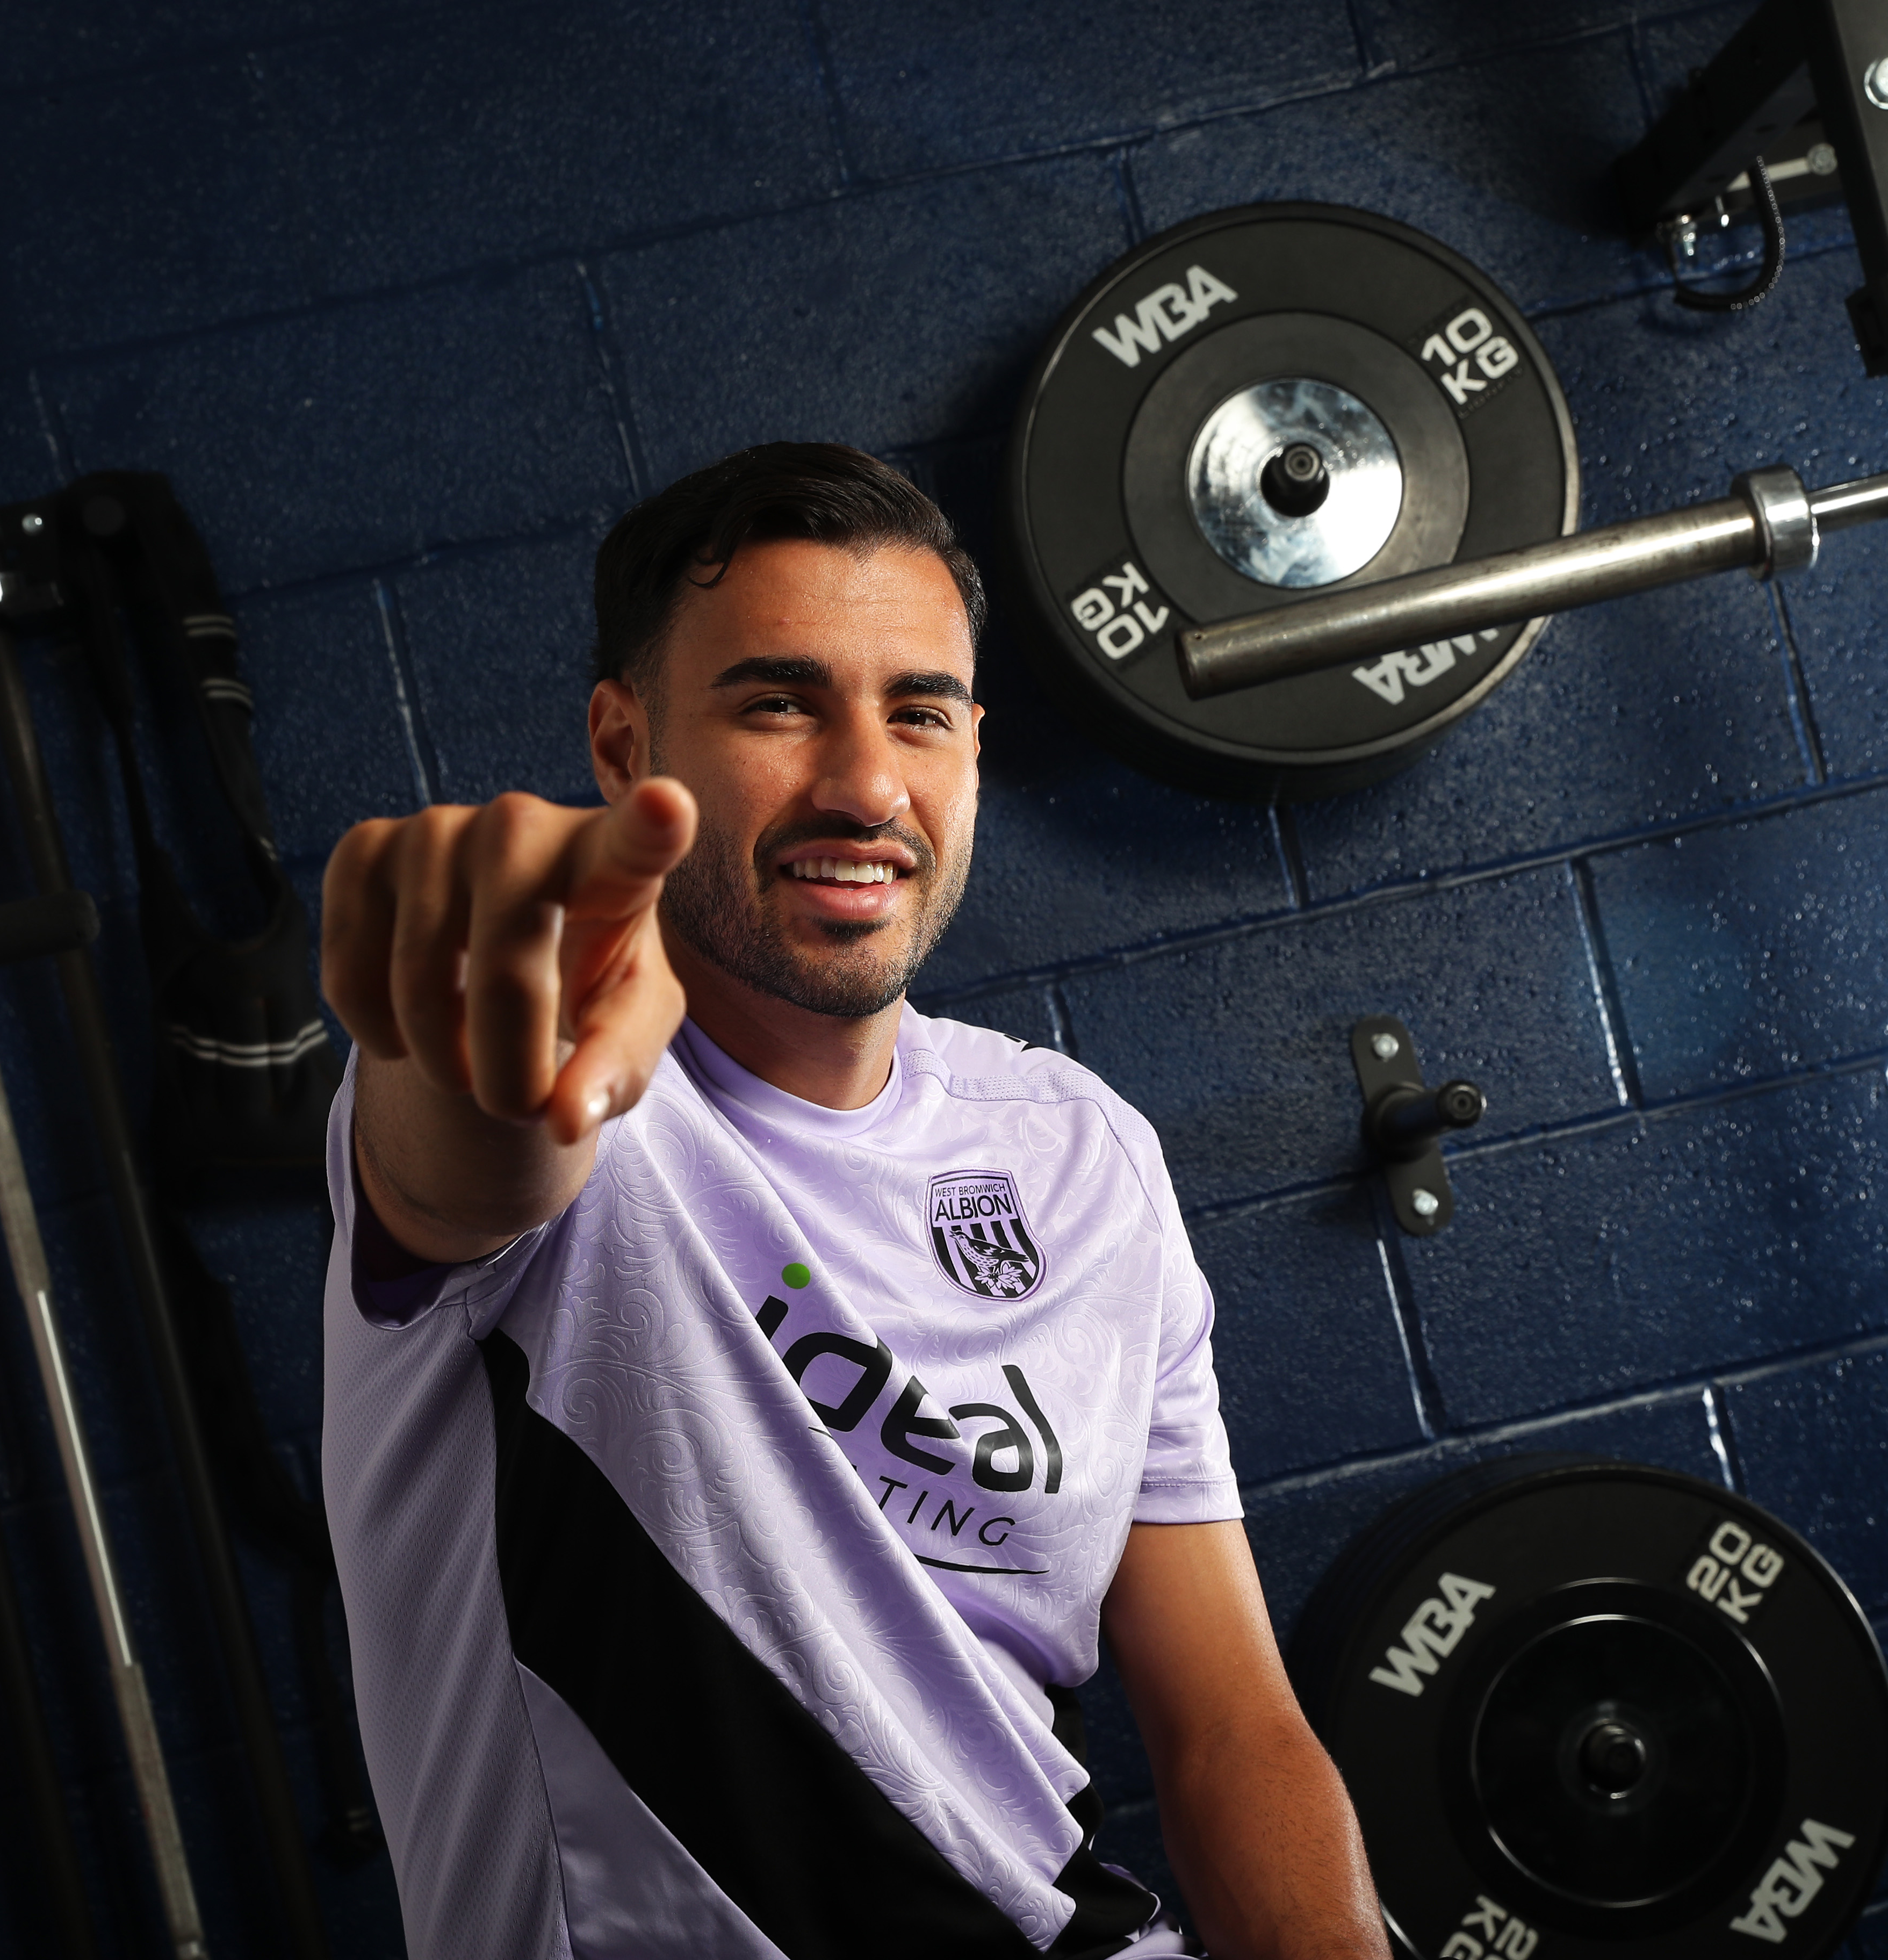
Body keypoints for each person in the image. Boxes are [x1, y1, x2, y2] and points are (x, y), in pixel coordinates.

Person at [318, 443, 1387, 1959]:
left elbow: (1232, 1735)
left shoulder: (1080, 1152)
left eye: (920, 714)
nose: (866, 783)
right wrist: (495, 1008)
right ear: (624, 751)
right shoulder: (582, 1114)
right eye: (778, 702)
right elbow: (481, 1140)